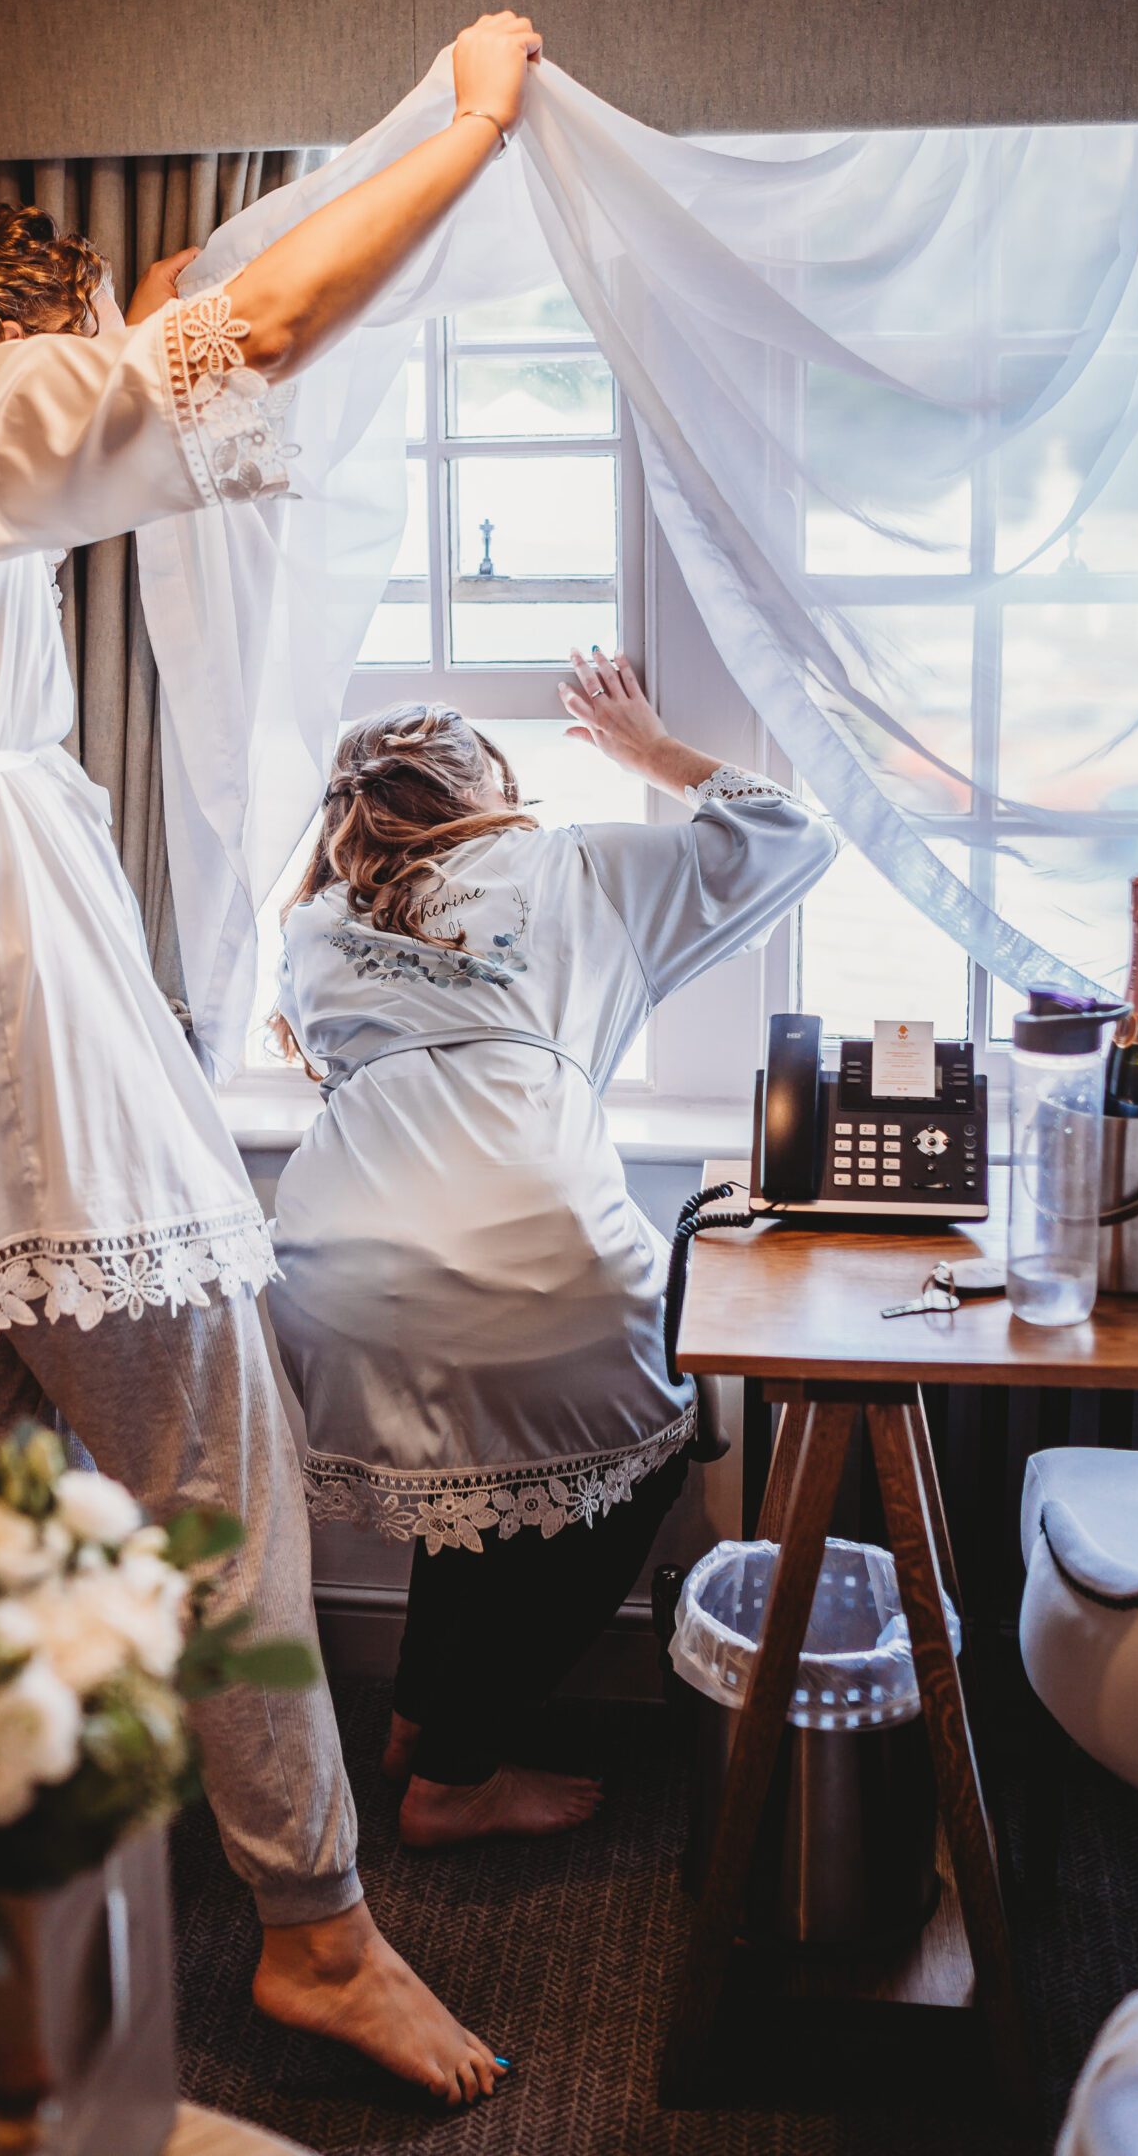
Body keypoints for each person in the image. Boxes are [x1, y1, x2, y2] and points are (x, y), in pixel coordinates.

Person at [0, 14, 546, 2106]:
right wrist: (467, 130)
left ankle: (31, 1901)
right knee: (211, 1469)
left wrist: (124, 327)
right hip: (6, 1028)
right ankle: (316, 1932)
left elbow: (104, 397)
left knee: (24, 1494)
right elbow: (250, 329)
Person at [268, 660, 836, 1848]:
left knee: (474, 1479)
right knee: (645, 1452)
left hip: (334, 1268)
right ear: (489, 789)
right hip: (526, 1248)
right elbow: (791, 837)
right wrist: (655, 753)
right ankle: (458, 1775)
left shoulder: (315, 924)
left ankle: (423, 1719)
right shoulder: (573, 866)